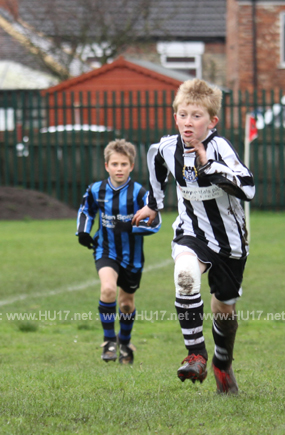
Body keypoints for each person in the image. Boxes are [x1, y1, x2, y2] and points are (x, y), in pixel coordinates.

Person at [132, 79, 254, 394]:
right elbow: (155, 164)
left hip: (229, 241)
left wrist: (209, 167)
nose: (188, 122)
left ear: (212, 121)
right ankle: (196, 354)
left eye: (196, 116)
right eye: (183, 114)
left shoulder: (220, 148)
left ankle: (222, 363)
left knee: (223, 309)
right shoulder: (166, 147)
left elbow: (248, 187)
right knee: (185, 275)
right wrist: (153, 206)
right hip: (191, 231)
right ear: (175, 117)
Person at [76, 139, 161, 365]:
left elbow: (155, 222)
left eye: (124, 164)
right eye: (115, 164)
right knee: (107, 290)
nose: (119, 168)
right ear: (107, 166)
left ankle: (125, 342)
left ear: (131, 166)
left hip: (132, 257)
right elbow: (86, 211)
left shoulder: (140, 193)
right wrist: (83, 232)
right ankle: (108, 342)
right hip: (106, 250)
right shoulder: (96, 190)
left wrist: (132, 227)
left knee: (125, 303)